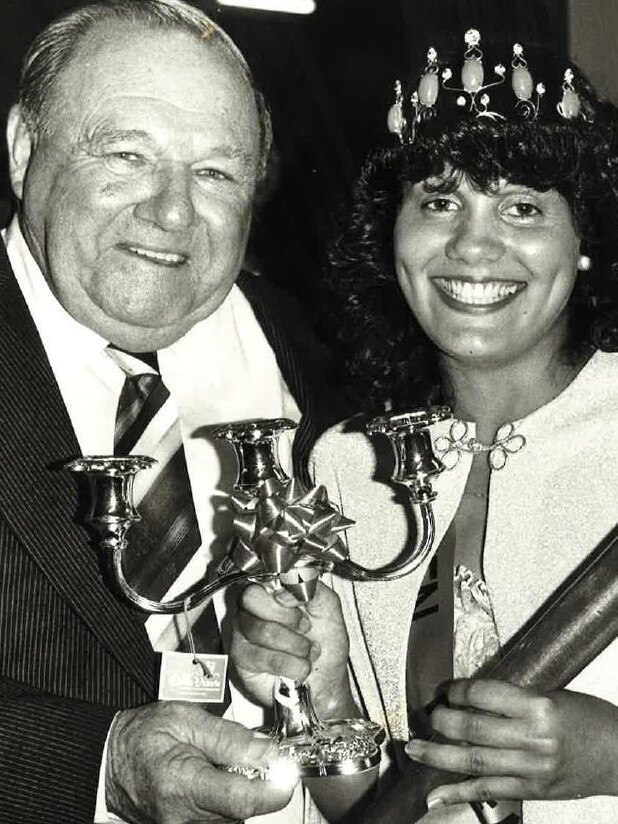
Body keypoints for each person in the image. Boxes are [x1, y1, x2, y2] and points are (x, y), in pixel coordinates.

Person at [231, 31, 618, 824]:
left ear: (584, 245)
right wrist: (326, 687)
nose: (474, 244)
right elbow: (367, 805)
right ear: (393, 233)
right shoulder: (346, 466)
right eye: (439, 201)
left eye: (523, 207)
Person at [0, 1, 342, 822]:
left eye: (217, 172)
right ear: (22, 150)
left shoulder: (312, 345)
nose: (174, 212)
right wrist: (98, 764)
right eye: (126, 154)